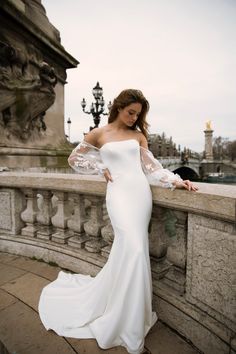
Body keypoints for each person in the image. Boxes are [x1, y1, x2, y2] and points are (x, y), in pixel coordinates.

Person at [38, 89, 198, 354]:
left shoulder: (138, 136)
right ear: (118, 108)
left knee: (132, 252)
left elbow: (152, 169)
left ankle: (130, 315)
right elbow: (74, 158)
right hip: (118, 197)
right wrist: (100, 167)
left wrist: (178, 181)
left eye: (138, 114)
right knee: (133, 248)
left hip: (139, 195)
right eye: (130, 112)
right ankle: (124, 317)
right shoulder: (99, 133)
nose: (134, 118)